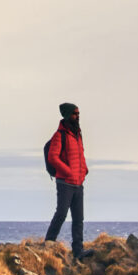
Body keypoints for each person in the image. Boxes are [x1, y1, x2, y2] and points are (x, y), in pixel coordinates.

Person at [44, 102, 87, 260]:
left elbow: (81, 156)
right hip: (65, 183)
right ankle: (48, 244)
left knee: (78, 219)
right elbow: (52, 158)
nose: (78, 116)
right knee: (61, 214)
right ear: (68, 115)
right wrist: (68, 171)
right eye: (75, 113)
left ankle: (78, 251)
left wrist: (84, 171)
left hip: (78, 183)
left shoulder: (77, 134)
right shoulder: (59, 135)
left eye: (78, 113)